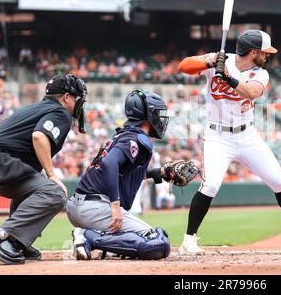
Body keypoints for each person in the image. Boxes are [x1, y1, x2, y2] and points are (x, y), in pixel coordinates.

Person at [177, 29, 281, 254]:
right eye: (265, 52)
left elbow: (252, 92)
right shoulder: (220, 60)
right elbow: (183, 66)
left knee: (280, 181)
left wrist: (228, 77)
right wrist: (211, 62)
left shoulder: (260, 73)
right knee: (211, 185)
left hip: (246, 135)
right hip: (218, 136)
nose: (268, 56)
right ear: (253, 52)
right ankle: (189, 239)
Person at [67, 90, 199, 260]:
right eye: (157, 113)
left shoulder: (123, 134)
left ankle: (93, 238)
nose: (160, 118)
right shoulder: (136, 139)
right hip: (96, 208)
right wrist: (115, 206)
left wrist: (158, 173)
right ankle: (88, 237)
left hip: (82, 205)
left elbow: (120, 171)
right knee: (157, 244)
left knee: (143, 240)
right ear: (147, 115)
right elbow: (109, 164)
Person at [0, 74, 87, 264]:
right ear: (66, 97)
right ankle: (4, 238)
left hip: (3, 162)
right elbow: (39, 136)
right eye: (78, 98)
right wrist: (52, 174)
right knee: (54, 192)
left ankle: (18, 240)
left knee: (33, 187)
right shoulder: (61, 113)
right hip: (0, 160)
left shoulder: (35, 108)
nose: (80, 103)